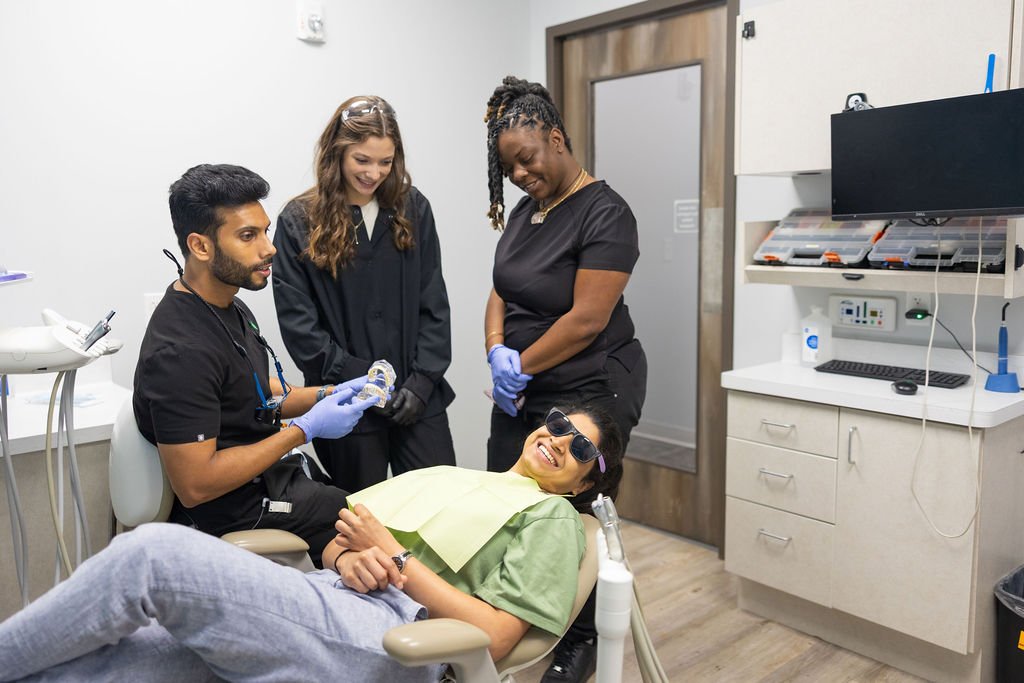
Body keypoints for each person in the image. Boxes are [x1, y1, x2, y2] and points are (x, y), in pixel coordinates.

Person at [0, 404, 624, 683]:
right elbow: (352, 539)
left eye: (582, 450)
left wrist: (397, 562)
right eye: (561, 424)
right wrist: (352, 556)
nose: (561, 440)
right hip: (334, 596)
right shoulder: (463, 477)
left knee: (151, 557)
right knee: (112, 662)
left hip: (397, 644)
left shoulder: (555, 521)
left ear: (585, 482)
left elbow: (496, 640)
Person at [481, 75, 649, 683]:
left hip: (589, 385)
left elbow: (585, 320)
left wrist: (520, 365)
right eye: (510, 169)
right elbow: (501, 287)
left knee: (578, 517)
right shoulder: (528, 212)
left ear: (555, 137)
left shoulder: (606, 212)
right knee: (508, 496)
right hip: (523, 382)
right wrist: (497, 350)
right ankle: (507, 617)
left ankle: (580, 644)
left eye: (527, 160)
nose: (521, 175)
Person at [133, 163, 377, 565]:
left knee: (367, 509)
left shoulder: (228, 305)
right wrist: (304, 430)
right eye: (249, 236)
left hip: (268, 480)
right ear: (200, 246)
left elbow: (256, 391)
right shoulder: (180, 351)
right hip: (236, 510)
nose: (270, 248)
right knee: (372, 526)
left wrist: (328, 393)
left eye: (264, 230)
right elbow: (197, 484)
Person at [273, 95, 456, 493]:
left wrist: (422, 383)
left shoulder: (413, 208)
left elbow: (434, 305)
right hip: (348, 403)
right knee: (363, 520)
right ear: (337, 153)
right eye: (362, 160)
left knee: (440, 506)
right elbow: (301, 329)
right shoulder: (298, 221)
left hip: (416, 398)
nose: (374, 173)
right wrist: (366, 381)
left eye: (386, 162)